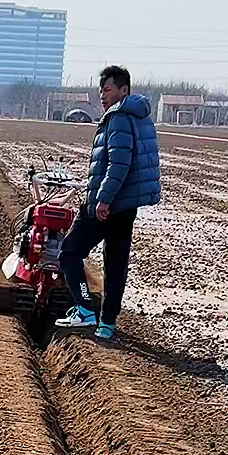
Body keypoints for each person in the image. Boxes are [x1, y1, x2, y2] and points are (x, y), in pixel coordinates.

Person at [52, 65, 161, 342]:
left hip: (108, 205)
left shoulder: (120, 117)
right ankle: (107, 324)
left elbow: (119, 164)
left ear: (124, 90)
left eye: (108, 89)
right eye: (101, 89)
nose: (102, 94)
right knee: (115, 266)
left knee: (69, 252)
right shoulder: (139, 116)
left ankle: (86, 308)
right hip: (126, 207)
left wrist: (102, 199)